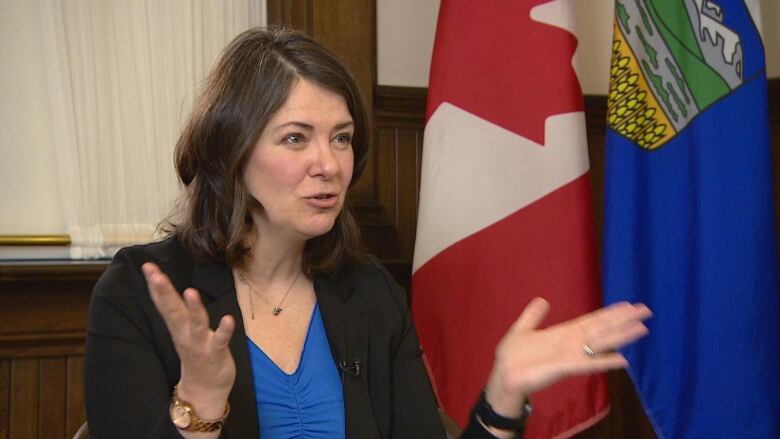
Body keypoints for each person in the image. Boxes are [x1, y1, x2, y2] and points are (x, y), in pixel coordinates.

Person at [83, 28, 651, 439]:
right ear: (231, 152)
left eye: (342, 138)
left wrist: (503, 394)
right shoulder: (137, 291)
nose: (329, 165)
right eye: (296, 138)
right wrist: (200, 401)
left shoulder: (369, 292)